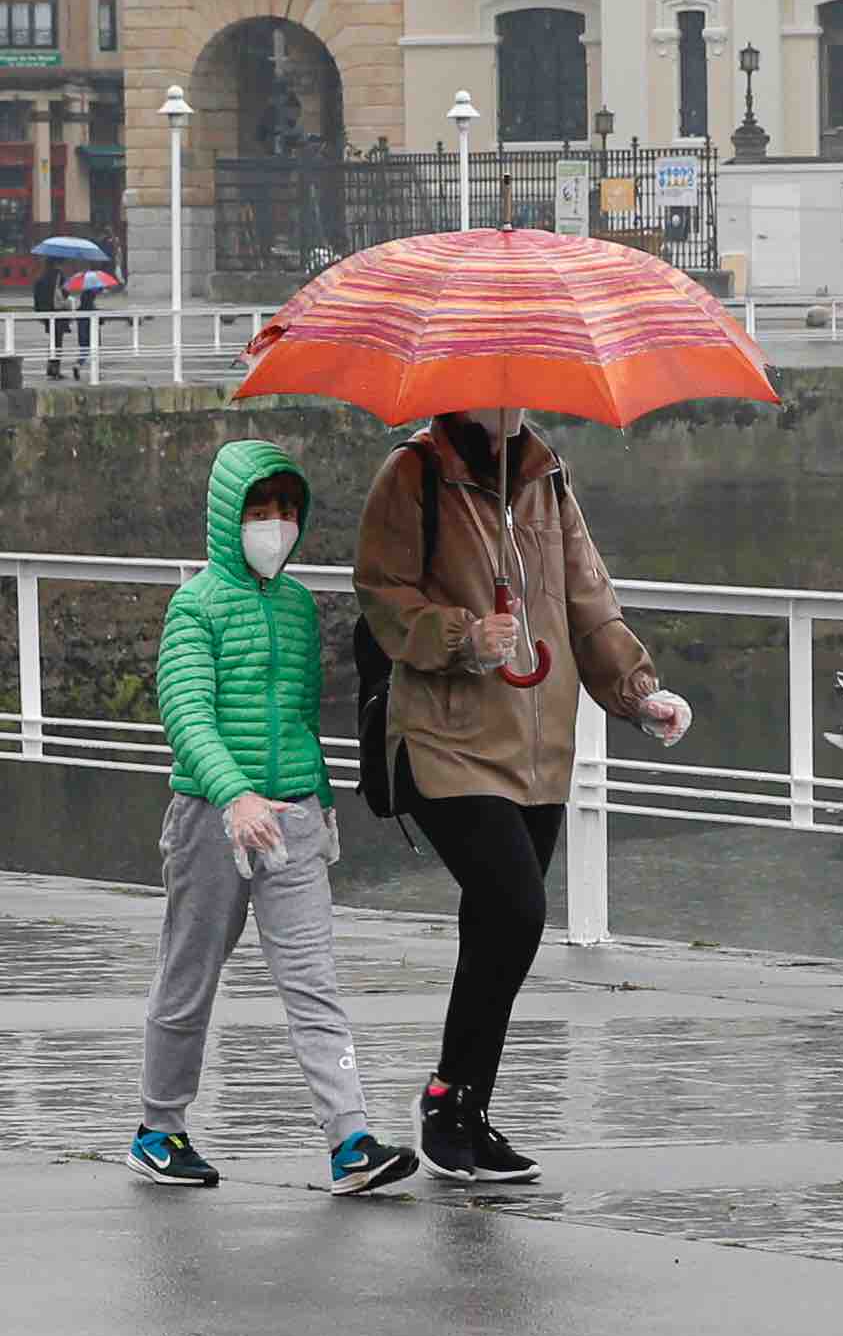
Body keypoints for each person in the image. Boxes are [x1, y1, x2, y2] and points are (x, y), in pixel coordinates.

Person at [355, 408, 692, 1183]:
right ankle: (449, 1098)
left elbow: (588, 602)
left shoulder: (547, 477)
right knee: (516, 904)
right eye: (489, 385)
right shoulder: (412, 473)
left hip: (538, 746)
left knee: (499, 927)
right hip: (444, 737)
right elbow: (381, 595)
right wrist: (463, 636)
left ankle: (463, 1106)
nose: (506, 404)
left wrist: (639, 695)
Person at [134, 440, 420, 1195]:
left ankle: (350, 1139)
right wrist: (233, 796)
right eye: (259, 511)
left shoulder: (297, 608)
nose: (275, 525)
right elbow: (187, 714)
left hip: (288, 820)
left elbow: (295, 719)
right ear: (227, 517)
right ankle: (158, 1128)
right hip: (209, 818)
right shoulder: (193, 606)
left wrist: (318, 799)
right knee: (188, 978)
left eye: (286, 511)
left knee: (314, 981)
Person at [32, 259, 62, 381]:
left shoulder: (40, 277)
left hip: (45, 312)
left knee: (52, 340)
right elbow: (64, 292)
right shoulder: (58, 275)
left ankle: (51, 367)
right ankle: (55, 369)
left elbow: (36, 297)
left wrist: (39, 312)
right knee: (58, 341)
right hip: (58, 312)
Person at [75, 278, 98, 381]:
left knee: (85, 350)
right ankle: (79, 366)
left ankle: (79, 365)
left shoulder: (81, 309)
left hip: (82, 332)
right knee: (91, 350)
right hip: (90, 333)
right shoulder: (92, 309)